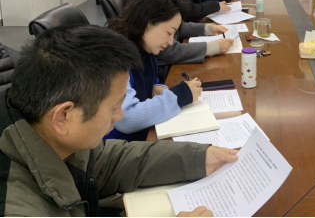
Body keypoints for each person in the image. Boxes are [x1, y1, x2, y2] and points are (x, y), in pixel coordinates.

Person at [0, 25, 237, 217]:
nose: (121, 116)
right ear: (63, 116)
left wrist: (198, 158)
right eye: (115, 108)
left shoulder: (41, 129)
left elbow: (112, 161)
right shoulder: (19, 208)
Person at [106, 0, 207, 142]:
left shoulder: (145, 49)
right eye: (169, 33)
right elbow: (126, 119)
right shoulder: (116, 56)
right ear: (147, 22)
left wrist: (156, 87)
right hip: (117, 146)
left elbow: (149, 81)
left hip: (142, 134)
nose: (170, 41)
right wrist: (181, 95)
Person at [132, 0, 235, 76]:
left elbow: (177, 27)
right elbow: (169, 52)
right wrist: (212, 47)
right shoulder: (151, 5)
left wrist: (209, 28)